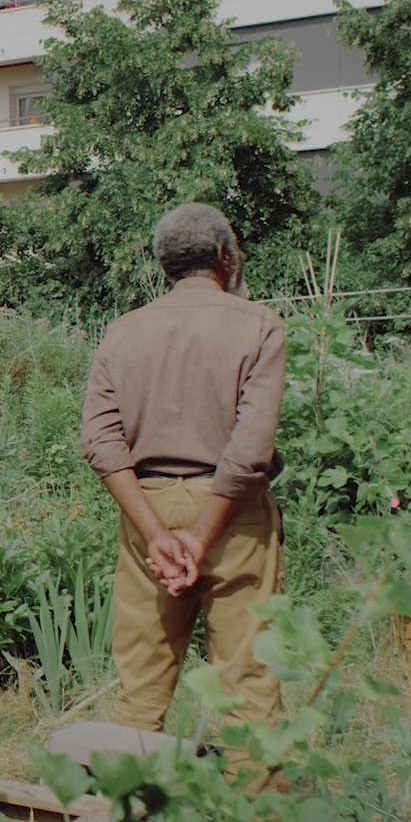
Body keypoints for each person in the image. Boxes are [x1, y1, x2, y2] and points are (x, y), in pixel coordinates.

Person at [79, 202, 286, 790]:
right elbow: (249, 449)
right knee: (249, 687)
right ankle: (258, 821)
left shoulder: (124, 330)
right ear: (224, 257)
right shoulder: (259, 324)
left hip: (146, 512)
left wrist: (156, 533)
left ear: (163, 263)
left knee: (140, 688)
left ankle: (122, 816)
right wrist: (201, 535)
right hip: (233, 516)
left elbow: (98, 441)